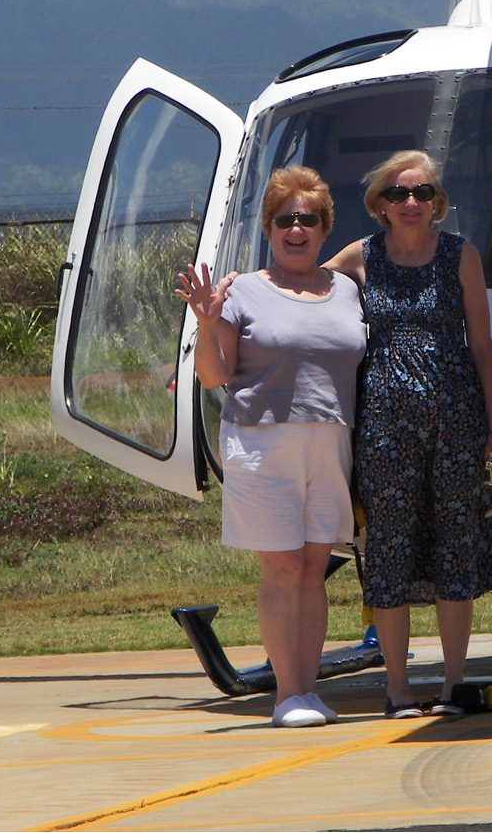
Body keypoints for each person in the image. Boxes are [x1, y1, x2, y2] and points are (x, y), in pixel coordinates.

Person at [176, 166, 367, 729]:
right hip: (262, 441)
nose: (297, 229)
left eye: (309, 219)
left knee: (314, 567)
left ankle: (309, 690)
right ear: (268, 227)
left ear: (325, 228)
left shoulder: (347, 290)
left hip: (330, 439)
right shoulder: (242, 292)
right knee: (283, 569)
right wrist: (207, 325)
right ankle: (288, 695)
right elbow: (213, 377)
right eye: (286, 219)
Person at [327, 149, 492, 719]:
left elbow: (481, 347)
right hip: (384, 425)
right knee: (388, 547)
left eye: (424, 193)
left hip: (456, 419)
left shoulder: (460, 255)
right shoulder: (360, 256)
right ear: (379, 203)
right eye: (399, 194)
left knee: (455, 543)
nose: (412, 203)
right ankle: (398, 689)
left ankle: (454, 684)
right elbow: (298, 288)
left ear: (438, 202)